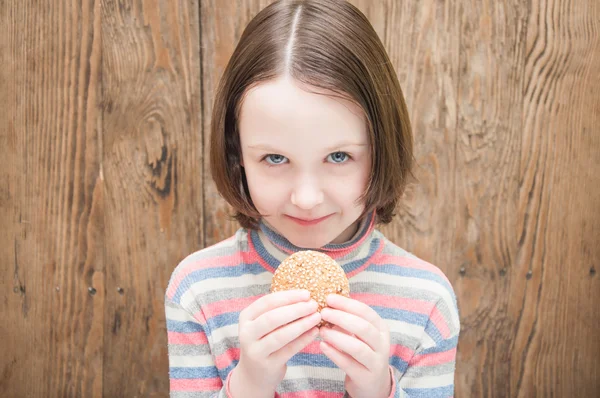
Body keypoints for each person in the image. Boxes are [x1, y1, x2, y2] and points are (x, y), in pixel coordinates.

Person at [164, 0, 460, 397]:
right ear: (237, 155)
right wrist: (249, 385)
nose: (306, 198)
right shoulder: (197, 291)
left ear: (381, 149)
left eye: (339, 156)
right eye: (275, 158)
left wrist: (377, 390)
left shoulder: (427, 303)